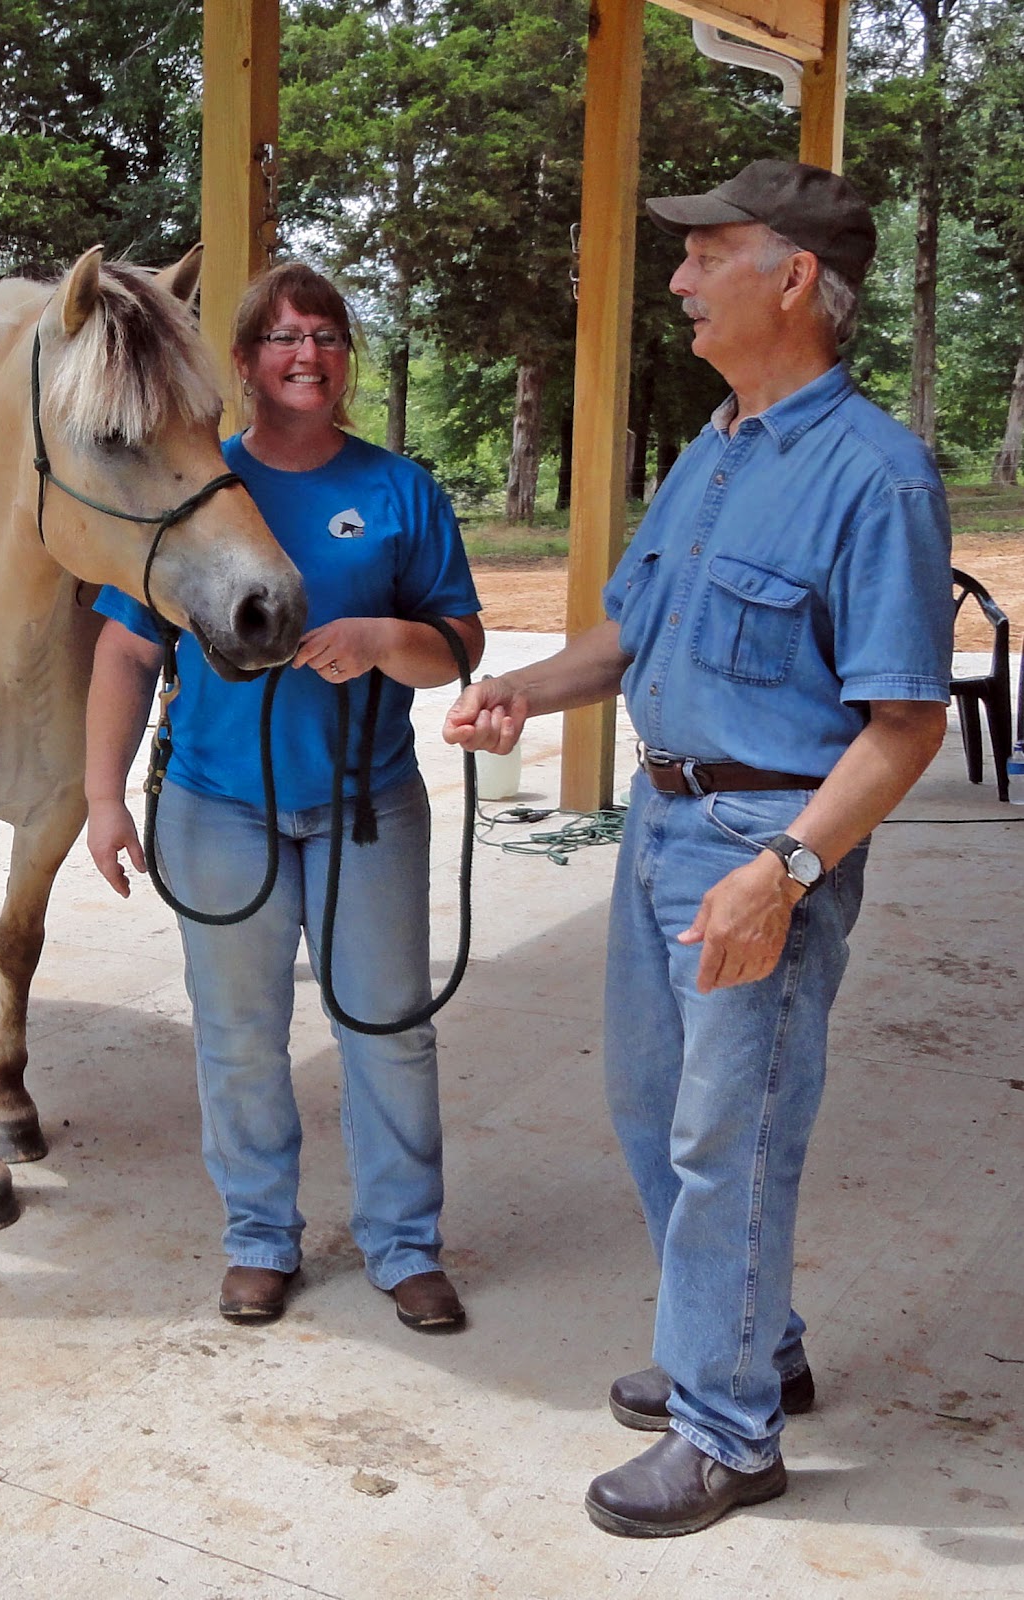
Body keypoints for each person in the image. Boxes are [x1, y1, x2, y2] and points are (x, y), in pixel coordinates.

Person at [444, 160, 953, 1535]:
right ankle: (752, 1349)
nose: (675, 279)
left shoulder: (876, 475)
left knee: (727, 1139)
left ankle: (726, 1435)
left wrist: (782, 873)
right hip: (662, 828)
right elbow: (630, 632)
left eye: (703, 254)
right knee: (653, 1117)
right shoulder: (715, 448)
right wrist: (524, 693)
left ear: (791, 277)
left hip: (761, 846)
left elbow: (904, 724)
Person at [86, 262, 484, 1333]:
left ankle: (405, 1245)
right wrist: (104, 796)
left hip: (369, 807)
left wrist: (382, 640)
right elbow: (126, 652)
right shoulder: (194, 483)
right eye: (281, 336)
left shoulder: (401, 491)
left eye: (326, 334)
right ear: (248, 361)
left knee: (387, 1027)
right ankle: (261, 1237)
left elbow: (458, 644)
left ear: (345, 356)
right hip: (219, 807)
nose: (306, 353)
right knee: (239, 1033)